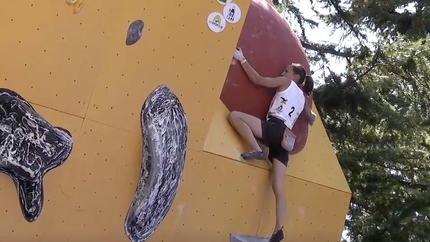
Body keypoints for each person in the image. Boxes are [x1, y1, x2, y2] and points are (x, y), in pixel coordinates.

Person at [228, 47, 316, 242]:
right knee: (278, 186)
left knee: (235, 116)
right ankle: (278, 229)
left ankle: (257, 149)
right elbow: (312, 120)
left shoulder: (285, 83)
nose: (282, 73)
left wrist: (242, 59)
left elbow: (259, 80)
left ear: (294, 76)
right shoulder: (302, 100)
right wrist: (308, 99)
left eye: (286, 71)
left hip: (275, 127)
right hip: (285, 142)